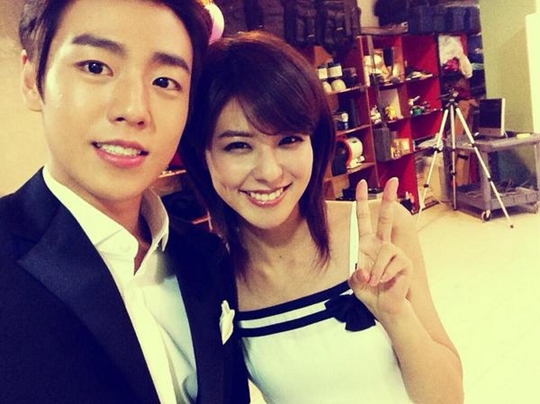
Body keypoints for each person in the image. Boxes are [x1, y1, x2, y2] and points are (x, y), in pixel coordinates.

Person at [180, 31, 464, 404]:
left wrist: (396, 314)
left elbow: (448, 397)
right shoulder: (216, 278)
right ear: (203, 157)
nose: (269, 172)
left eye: (289, 140)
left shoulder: (381, 232)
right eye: (238, 146)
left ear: (315, 142)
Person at [0, 1, 250, 403]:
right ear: (32, 79)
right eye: (96, 67)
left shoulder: (206, 257)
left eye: (165, 81)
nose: (134, 110)